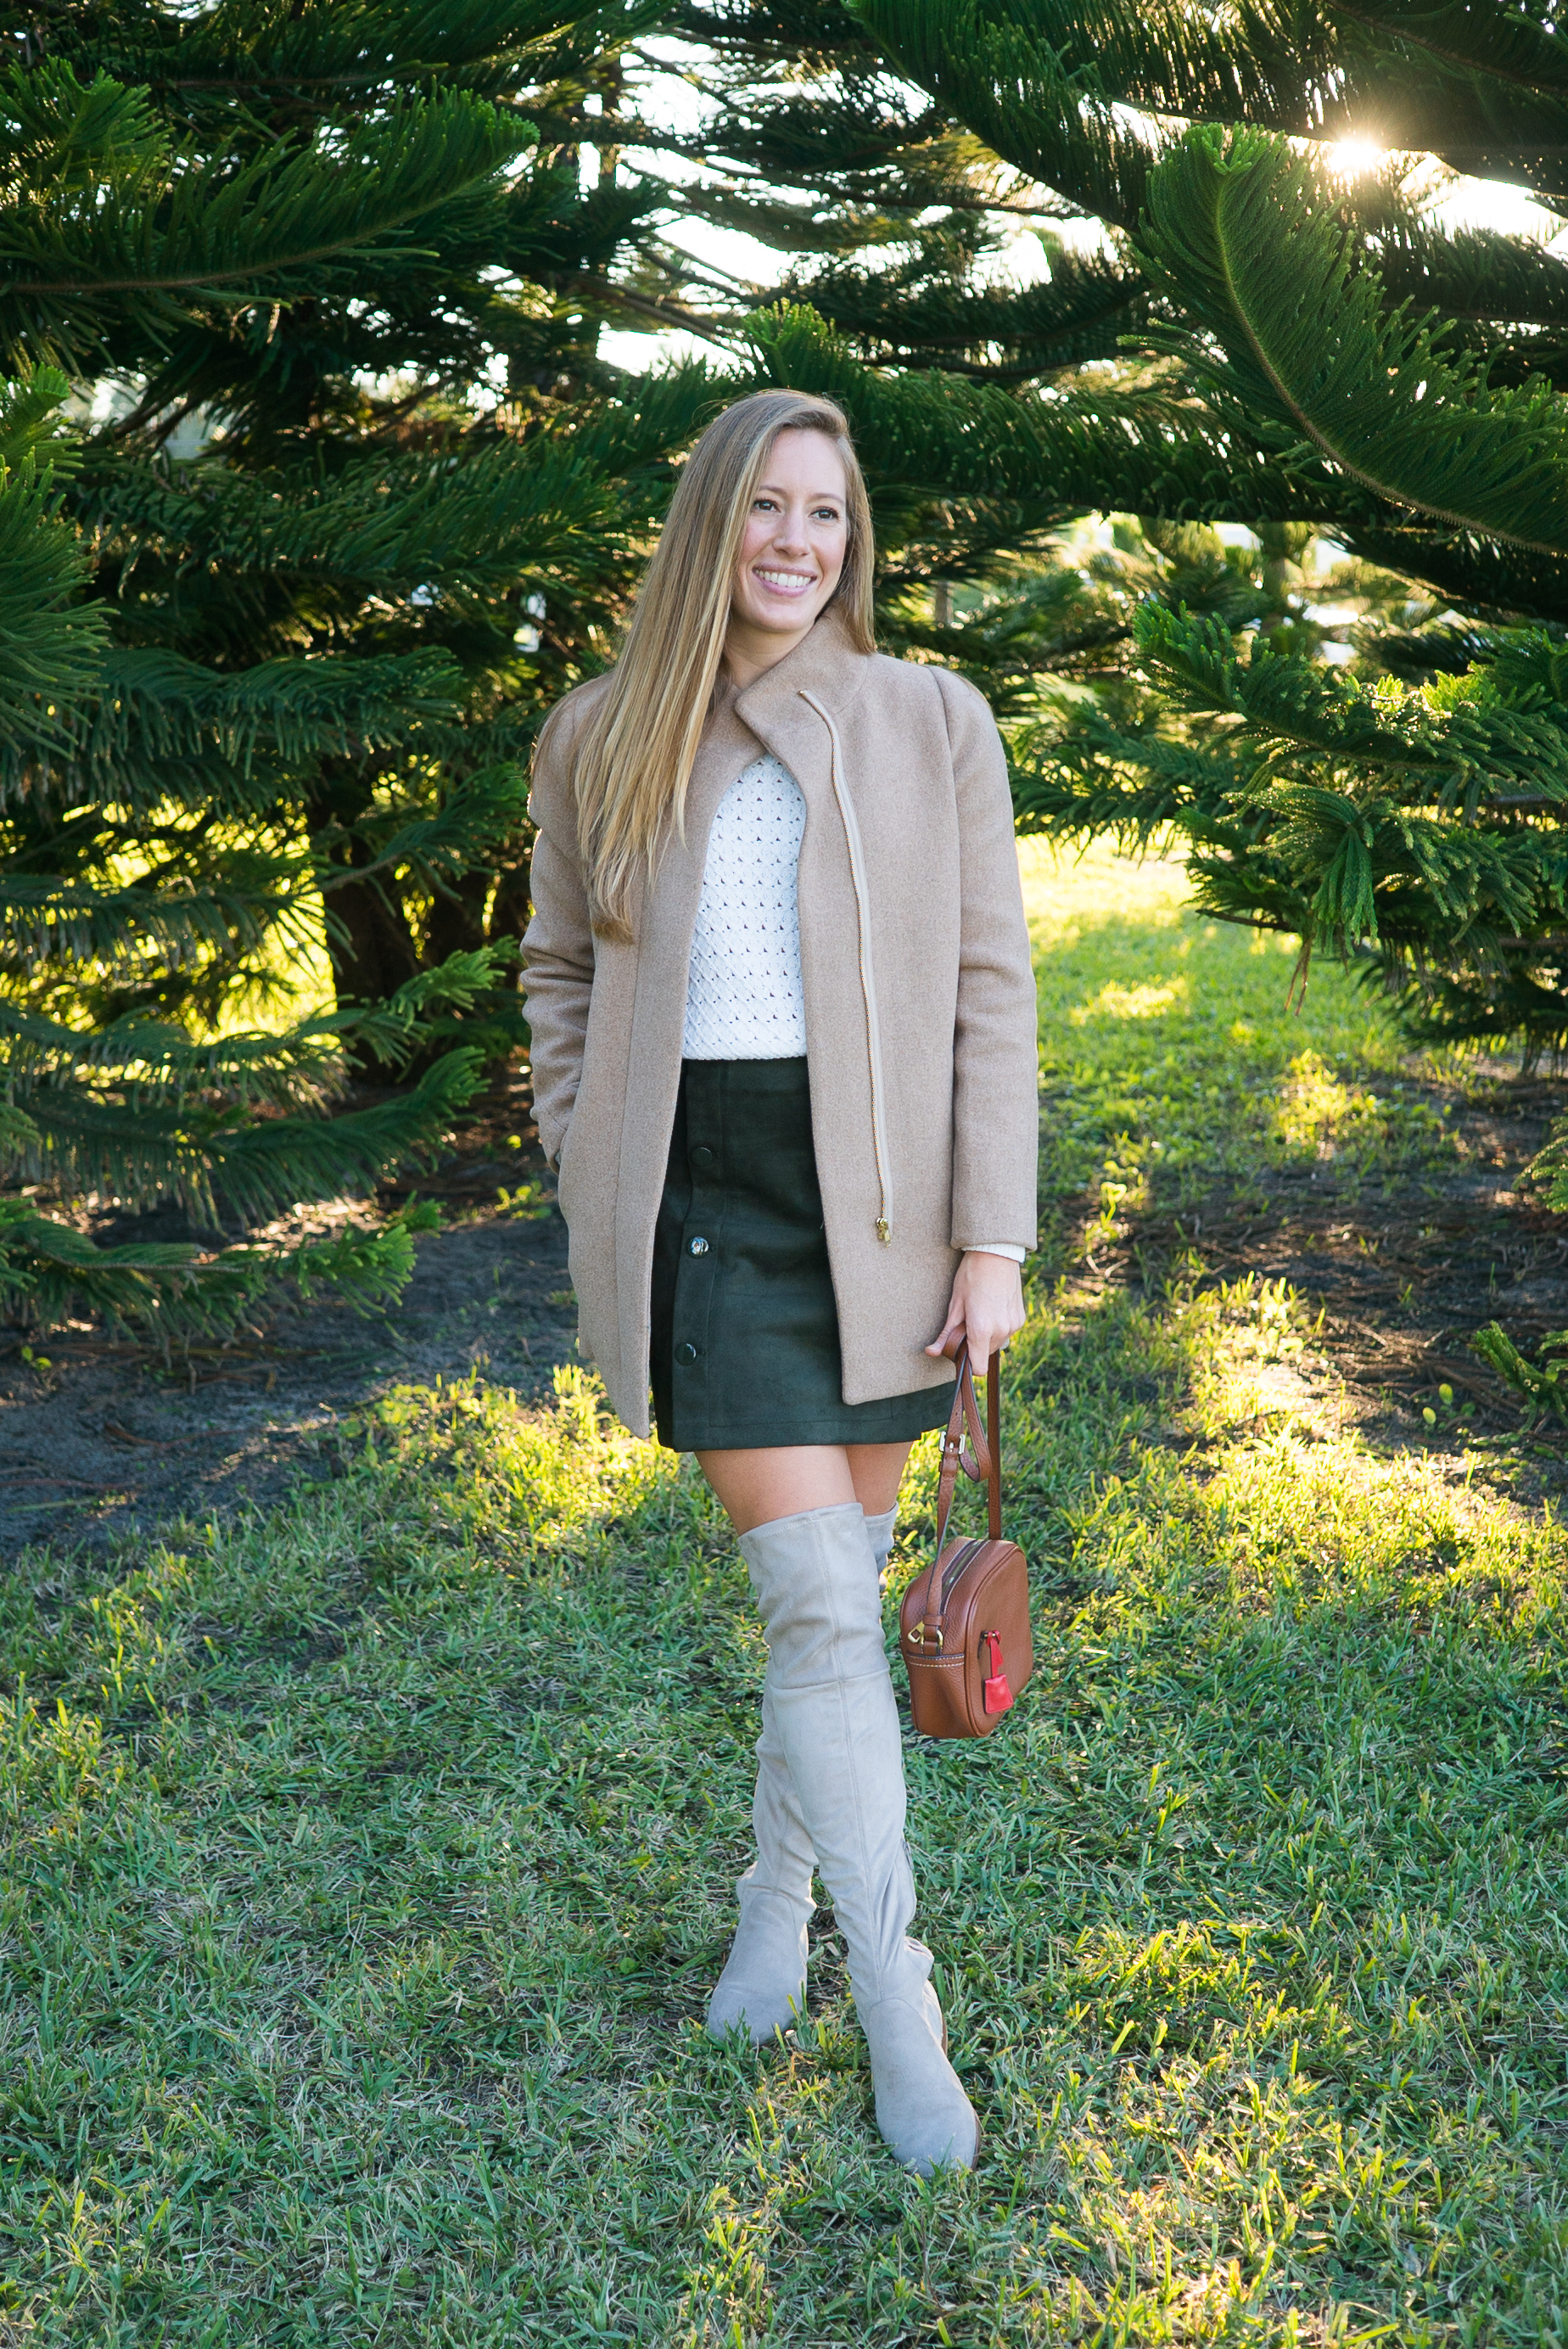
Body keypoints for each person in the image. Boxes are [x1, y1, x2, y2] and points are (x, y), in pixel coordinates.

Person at [522, 388, 1038, 2175]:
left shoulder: (930, 719)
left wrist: (993, 1236)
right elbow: (557, 977)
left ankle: (774, 1901)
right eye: (766, 509)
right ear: (709, 528)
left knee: (832, 1602)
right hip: (701, 1209)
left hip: (883, 1216)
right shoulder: (601, 733)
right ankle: (903, 2008)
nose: (798, 543)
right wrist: (586, 1143)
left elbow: (991, 989)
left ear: (853, 537)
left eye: (827, 513)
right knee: (821, 1604)